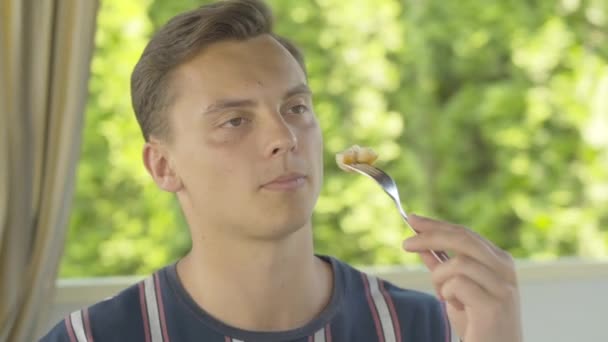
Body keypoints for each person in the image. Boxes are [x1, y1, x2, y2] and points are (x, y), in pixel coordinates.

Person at [40, 0, 522, 341]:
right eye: (235, 120)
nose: (284, 138)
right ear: (163, 165)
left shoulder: (427, 329)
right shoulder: (91, 338)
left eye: (295, 108)